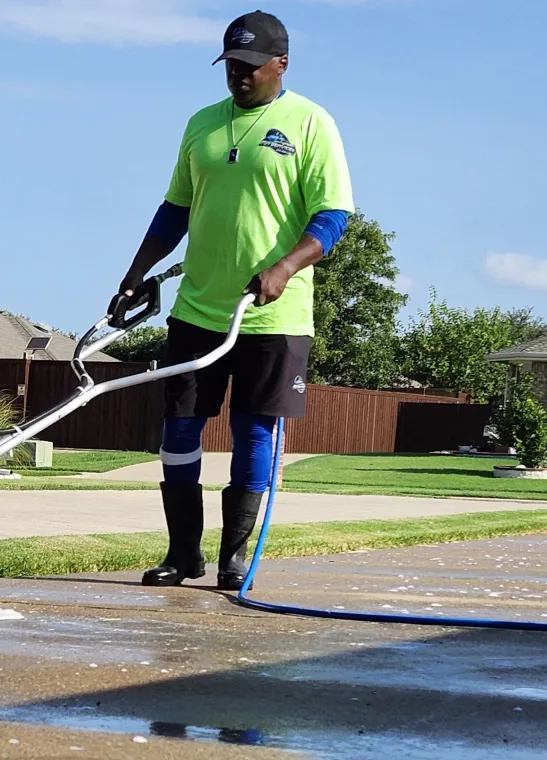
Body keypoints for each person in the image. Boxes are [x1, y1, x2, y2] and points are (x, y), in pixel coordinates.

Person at [118, 11, 353, 591]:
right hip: (198, 310)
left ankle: (235, 558)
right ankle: (183, 553)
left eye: (251, 66)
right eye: (231, 66)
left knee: (253, 432)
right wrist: (134, 273)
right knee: (178, 430)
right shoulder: (201, 125)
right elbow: (174, 209)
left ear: (282, 64)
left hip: (271, 315)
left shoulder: (311, 123)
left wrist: (284, 267)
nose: (239, 77)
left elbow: (333, 217)